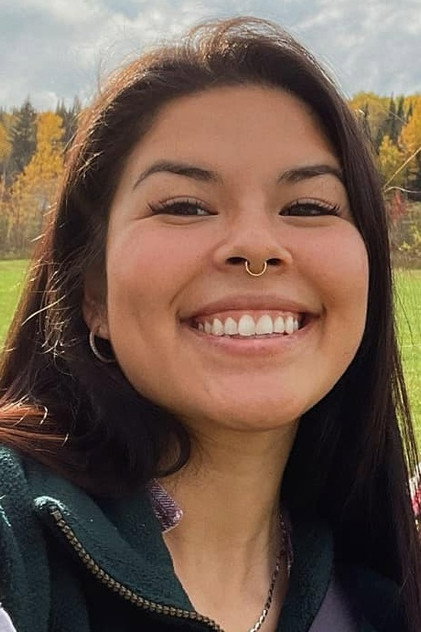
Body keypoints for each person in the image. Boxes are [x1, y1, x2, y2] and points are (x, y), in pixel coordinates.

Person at [0, 16, 419, 632]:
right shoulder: (15, 538)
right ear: (94, 294)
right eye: (184, 206)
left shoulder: (384, 599)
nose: (256, 245)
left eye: (309, 206)